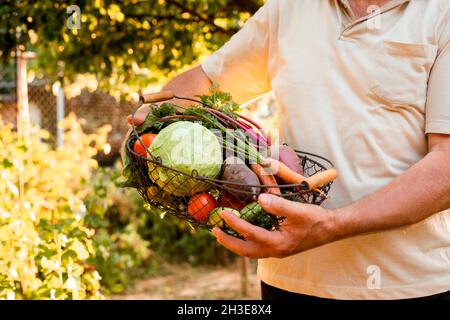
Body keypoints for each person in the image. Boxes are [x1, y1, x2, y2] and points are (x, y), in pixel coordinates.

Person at [126, 0, 450, 300]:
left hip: (408, 285)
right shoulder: (290, 7)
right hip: (289, 279)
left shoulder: (441, 12)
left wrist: (332, 224)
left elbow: (446, 164)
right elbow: (211, 81)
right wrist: (157, 117)